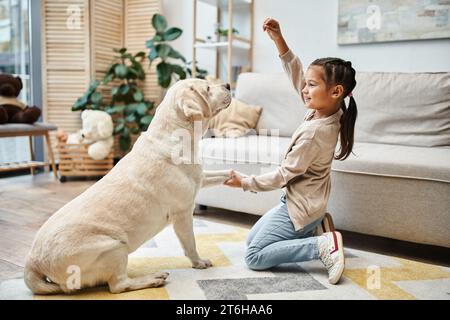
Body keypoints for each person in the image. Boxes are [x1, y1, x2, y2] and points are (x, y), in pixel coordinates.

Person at [224, 18, 358, 284]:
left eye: (311, 85)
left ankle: (321, 246)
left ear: (336, 91)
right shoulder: (332, 111)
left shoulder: (315, 132)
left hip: (299, 209)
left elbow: (285, 174)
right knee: (253, 240)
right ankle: (315, 231)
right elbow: (297, 73)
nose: (304, 90)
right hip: (304, 205)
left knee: (254, 255)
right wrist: (279, 40)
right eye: (306, 84)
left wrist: (245, 182)